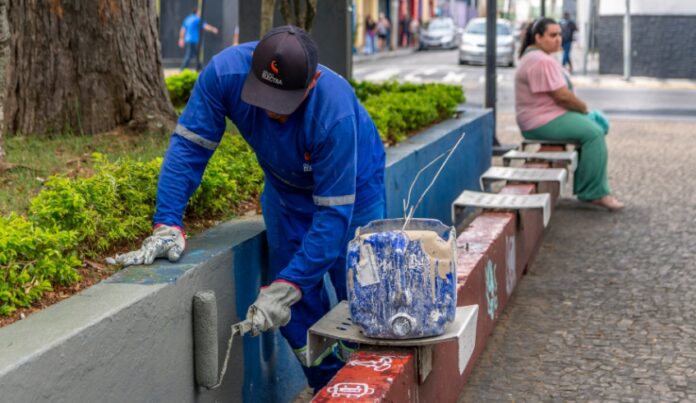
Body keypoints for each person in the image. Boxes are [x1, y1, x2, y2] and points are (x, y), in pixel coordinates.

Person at [112, 26, 386, 391]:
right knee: (294, 313)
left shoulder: (334, 115)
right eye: (265, 97)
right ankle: (330, 389)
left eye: (284, 103)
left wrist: (289, 284)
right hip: (286, 192)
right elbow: (189, 148)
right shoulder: (225, 75)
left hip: (354, 189)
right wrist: (168, 222)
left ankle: (373, 388)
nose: (273, 113)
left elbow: (334, 219)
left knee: (363, 300)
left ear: (312, 82)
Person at [515, 18, 624, 210]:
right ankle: (594, 192)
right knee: (594, 133)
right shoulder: (540, 60)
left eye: (559, 35)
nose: (558, 39)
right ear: (538, 37)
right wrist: (584, 109)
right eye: (552, 35)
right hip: (541, 121)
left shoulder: (534, 56)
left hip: (541, 118)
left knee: (591, 129)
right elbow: (562, 96)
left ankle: (588, 187)